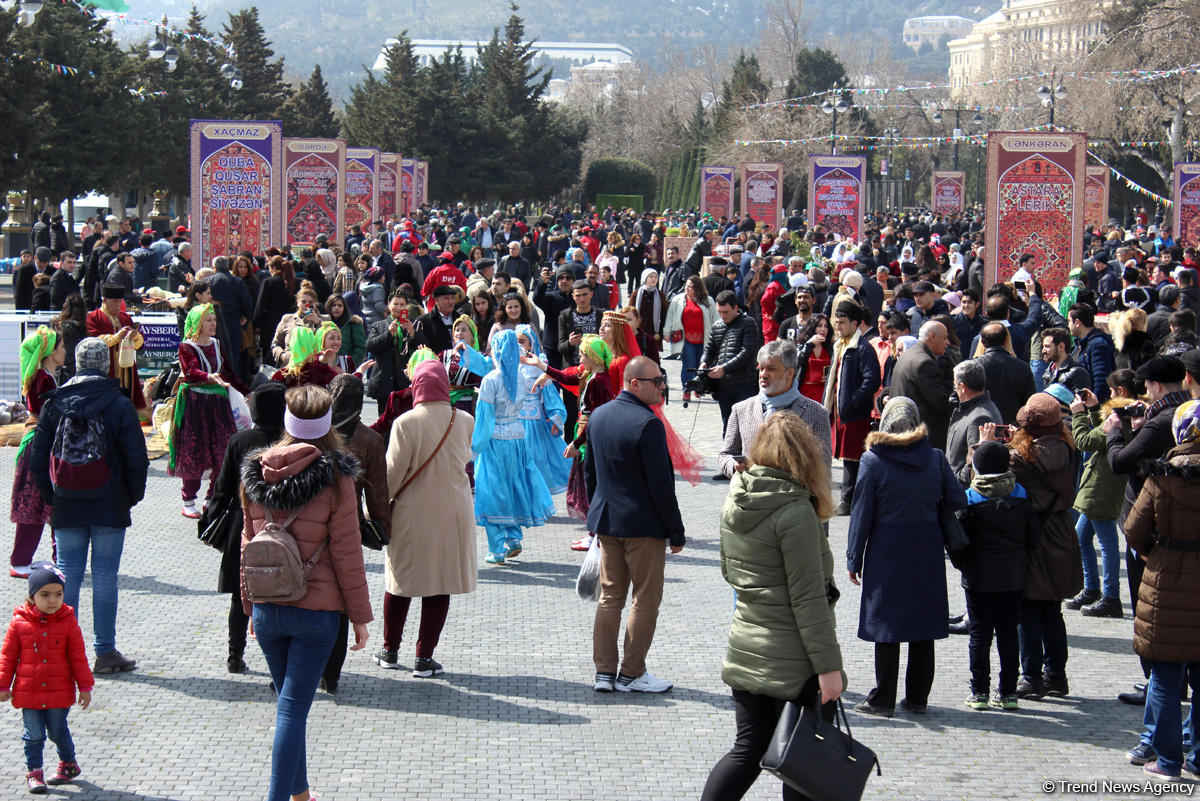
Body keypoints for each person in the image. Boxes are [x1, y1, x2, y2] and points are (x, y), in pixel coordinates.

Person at [701, 413, 844, 801]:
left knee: (746, 751)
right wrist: (830, 668)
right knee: (802, 761)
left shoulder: (739, 494)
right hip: (796, 659)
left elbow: (730, 571)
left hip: (747, 643)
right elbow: (808, 598)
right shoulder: (795, 510)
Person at [239, 385, 372, 801]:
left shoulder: (256, 472)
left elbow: (248, 546)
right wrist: (361, 617)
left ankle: (299, 792)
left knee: (287, 707)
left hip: (267, 606)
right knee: (292, 712)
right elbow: (348, 552)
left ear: (287, 423)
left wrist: (249, 609)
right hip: (317, 614)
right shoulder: (336, 477)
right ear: (328, 425)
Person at [29, 338, 149, 676]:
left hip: (66, 501)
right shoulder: (118, 403)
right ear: (105, 365)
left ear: (78, 365)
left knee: (67, 576)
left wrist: (52, 497)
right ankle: (105, 652)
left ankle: (63, 651)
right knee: (106, 576)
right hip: (110, 501)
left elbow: (37, 458)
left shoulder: (55, 403)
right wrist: (132, 496)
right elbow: (136, 458)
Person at [847, 397, 966, 716]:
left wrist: (853, 558)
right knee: (922, 625)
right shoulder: (936, 458)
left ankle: (883, 699)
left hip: (887, 548)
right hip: (926, 546)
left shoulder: (872, 460)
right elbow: (957, 498)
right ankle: (917, 698)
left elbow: (861, 514)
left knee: (886, 625)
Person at [587, 356, 686, 693]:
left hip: (608, 521)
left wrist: (595, 515)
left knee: (610, 597)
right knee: (645, 598)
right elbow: (661, 486)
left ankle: (604, 672)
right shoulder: (648, 424)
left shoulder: (598, 416)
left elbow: (591, 475)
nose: (662, 385)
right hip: (643, 525)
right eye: (656, 380)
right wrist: (676, 531)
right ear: (635, 383)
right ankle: (631, 673)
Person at [375, 360, 476, 677]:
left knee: (401, 583)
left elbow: (392, 476)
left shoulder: (405, 423)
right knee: (439, 584)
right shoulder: (464, 420)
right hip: (452, 514)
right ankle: (424, 657)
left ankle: (390, 651)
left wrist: (375, 510)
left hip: (411, 513)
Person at [980, 392, 1082, 700]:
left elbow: (991, 481)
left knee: (1027, 609)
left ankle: (1032, 677)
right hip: (1062, 530)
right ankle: (1057, 676)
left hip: (1032, 533)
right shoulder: (1069, 449)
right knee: (1052, 609)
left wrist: (988, 446)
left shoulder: (1020, 458)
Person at [1106, 355, 1192, 716]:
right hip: (1175, 529)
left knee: (1152, 615)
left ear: (1155, 386)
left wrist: (1115, 430)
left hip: (1151, 530)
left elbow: (1119, 462)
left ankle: (1159, 682)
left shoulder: (1159, 422)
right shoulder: (1186, 414)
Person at [1122, 399, 1200, 781]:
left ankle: (1168, 761)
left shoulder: (1161, 478)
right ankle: (1198, 757)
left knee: (1167, 677)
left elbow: (1134, 530)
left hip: (1166, 583)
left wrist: (1158, 551)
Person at [200, 382, 287, 674]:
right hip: (285, 526)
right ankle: (281, 660)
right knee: (284, 593)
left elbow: (221, 488)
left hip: (243, 524)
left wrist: (211, 521)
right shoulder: (291, 440)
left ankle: (234, 654)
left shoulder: (239, 441)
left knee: (241, 595)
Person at [952, 440, 1039, 711]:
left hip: (978, 577)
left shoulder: (969, 497)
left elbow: (957, 540)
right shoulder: (1022, 495)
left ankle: (979, 692)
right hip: (1012, 576)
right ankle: (1008, 692)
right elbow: (1033, 538)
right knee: (1008, 634)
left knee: (979, 634)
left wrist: (963, 565)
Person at [0, 563, 93, 793]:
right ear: (31, 597)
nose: (53, 600)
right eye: (45, 595)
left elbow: (78, 657)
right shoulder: (19, 623)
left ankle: (68, 764)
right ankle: (34, 772)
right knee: (33, 735)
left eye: (58, 594)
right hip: (28, 691)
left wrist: (85, 686)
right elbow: (7, 657)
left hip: (58, 691)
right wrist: (3, 684)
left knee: (58, 731)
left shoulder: (68, 621)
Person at [472, 329, 557, 564]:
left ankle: (497, 548)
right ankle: (514, 538)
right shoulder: (520, 376)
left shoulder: (491, 380)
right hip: (518, 438)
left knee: (491, 490)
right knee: (512, 486)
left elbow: (485, 419)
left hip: (495, 441)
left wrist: (474, 448)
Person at [170, 303, 250, 519]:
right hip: (195, 404)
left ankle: (211, 497)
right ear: (197, 323)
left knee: (223, 451)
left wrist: (248, 392)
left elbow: (229, 373)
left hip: (218, 404)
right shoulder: (187, 347)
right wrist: (208, 377)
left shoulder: (216, 344)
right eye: (208, 320)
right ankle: (188, 500)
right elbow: (191, 370)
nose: (213, 324)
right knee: (195, 451)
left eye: (214, 319)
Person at [1067, 376, 1135, 619]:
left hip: (1102, 487)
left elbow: (1086, 441)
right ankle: (1093, 589)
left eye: (1111, 390)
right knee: (1082, 537)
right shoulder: (1128, 416)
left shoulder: (1120, 417)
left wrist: (1077, 414)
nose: (1109, 394)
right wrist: (1095, 408)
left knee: (1107, 544)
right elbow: (1104, 436)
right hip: (1100, 485)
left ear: (1121, 391)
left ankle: (1110, 597)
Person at [718, 340, 832, 479]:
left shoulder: (816, 412)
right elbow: (725, 455)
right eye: (761, 368)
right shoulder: (741, 409)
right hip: (750, 496)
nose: (763, 375)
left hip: (792, 497)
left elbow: (823, 467)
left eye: (771, 369)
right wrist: (733, 466)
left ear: (790, 373)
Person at [9, 327, 65, 578]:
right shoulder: (45, 379)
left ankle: (58, 557)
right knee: (35, 503)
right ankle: (20, 561)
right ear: (51, 352)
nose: (65, 351)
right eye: (61, 347)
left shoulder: (43, 376)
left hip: (40, 441)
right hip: (40, 445)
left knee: (46, 503)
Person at [825, 303, 881, 513]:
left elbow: (872, 380)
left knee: (852, 458)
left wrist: (853, 400)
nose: (837, 327)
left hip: (853, 413)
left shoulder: (862, 348)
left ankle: (848, 500)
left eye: (842, 322)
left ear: (855, 323)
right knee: (844, 455)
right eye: (836, 322)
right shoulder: (841, 345)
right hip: (840, 410)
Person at [702, 290, 763, 436]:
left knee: (746, 426)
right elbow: (709, 349)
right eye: (720, 312)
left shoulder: (748, 323)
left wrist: (724, 368)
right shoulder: (717, 325)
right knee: (728, 426)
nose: (723, 316)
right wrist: (704, 362)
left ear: (736, 308)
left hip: (744, 383)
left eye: (726, 312)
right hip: (724, 385)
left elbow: (748, 351)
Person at [889, 320, 954, 450]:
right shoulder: (924, 362)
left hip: (905, 433)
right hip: (921, 438)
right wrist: (960, 398)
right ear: (933, 337)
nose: (948, 342)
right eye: (945, 338)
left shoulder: (907, 355)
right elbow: (940, 401)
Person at [85, 284, 147, 416]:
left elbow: (140, 344)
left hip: (126, 370)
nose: (118, 305)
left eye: (120, 301)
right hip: (106, 369)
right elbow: (94, 341)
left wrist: (135, 336)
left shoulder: (125, 318)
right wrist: (117, 337)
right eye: (114, 302)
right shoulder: (94, 317)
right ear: (104, 300)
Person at [662, 275, 715, 406]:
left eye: (689, 287)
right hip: (686, 339)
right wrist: (667, 332)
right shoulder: (678, 300)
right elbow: (670, 316)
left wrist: (718, 335)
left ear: (697, 288)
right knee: (688, 364)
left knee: (701, 365)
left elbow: (715, 318)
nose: (686, 289)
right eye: (686, 286)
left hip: (704, 339)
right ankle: (687, 389)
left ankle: (698, 387)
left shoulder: (708, 301)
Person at [365, 289, 417, 413]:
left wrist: (412, 333)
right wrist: (388, 334)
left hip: (405, 381)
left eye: (402, 305)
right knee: (385, 423)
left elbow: (423, 347)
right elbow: (370, 346)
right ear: (389, 305)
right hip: (384, 381)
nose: (398, 308)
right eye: (395, 304)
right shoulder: (379, 325)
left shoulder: (414, 325)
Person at [976, 322, 1037, 424]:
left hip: (982, 426)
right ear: (1006, 340)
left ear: (982, 342)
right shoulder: (1023, 367)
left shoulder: (973, 367)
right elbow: (1030, 402)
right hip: (1012, 428)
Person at [1069, 303, 1116, 401]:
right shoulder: (1080, 344)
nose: (1068, 325)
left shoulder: (1097, 344)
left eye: (1069, 321)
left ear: (1077, 322)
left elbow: (1101, 380)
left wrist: (1094, 407)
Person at [794, 315, 832, 404]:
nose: (823, 329)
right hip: (804, 394)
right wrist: (809, 345)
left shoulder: (831, 349)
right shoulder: (802, 346)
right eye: (819, 326)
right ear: (812, 327)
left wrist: (830, 377)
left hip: (823, 394)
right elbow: (796, 363)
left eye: (826, 326)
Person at [326, 293, 367, 369]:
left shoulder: (353, 323)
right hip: (326, 366)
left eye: (340, 305)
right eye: (333, 305)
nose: (336, 308)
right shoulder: (323, 324)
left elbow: (360, 348)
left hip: (346, 368)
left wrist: (349, 364)